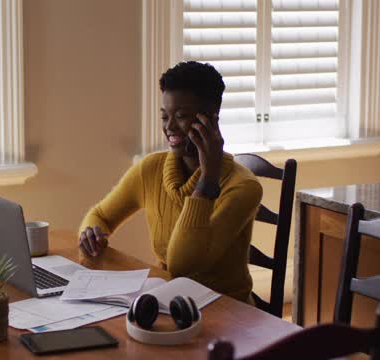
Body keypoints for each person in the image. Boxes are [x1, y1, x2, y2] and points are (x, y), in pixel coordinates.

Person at [78, 61, 262, 303]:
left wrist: (207, 181)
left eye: (181, 116)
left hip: (227, 311)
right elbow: (101, 215)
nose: (169, 126)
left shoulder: (243, 187)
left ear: (211, 120)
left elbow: (183, 263)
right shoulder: (150, 169)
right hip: (171, 301)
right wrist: (90, 234)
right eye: (165, 116)